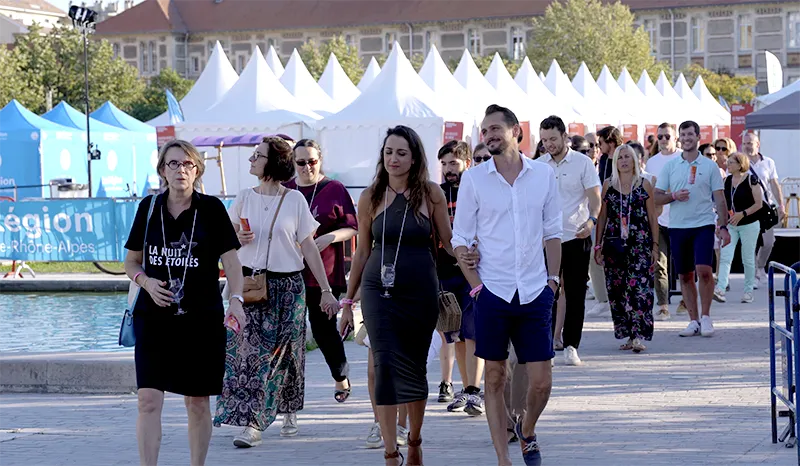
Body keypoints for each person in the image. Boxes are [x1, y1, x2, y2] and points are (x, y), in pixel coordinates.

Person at [123, 139, 244, 466]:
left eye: (187, 164)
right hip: (153, 318)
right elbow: (131, 262)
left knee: (197, 402)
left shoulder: (211, 209)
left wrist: (236, 299)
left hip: (200, 318)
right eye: (173, 164)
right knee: (147, 401)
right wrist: (146, 283)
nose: (180, 170)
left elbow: (232, 264)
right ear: (162, 169)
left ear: (197, 169)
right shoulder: (148, 208)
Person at [339, 125, 455, 466]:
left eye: (401, 152)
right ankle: (391, 451)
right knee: (384, 364)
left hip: (420, 289)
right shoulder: (371, 196)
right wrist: (348, 301)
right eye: (388, 152)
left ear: (415, 157)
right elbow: (361, 252)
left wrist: (475, 273)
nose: (393, 158)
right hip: (378, 290)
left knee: (415, 368)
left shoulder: (430, 193)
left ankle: (415, 439)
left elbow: (449, 241)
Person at [213, 137, 340, 448]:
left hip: (287, 288)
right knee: (248, 354)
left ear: (271, 163)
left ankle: (266, 419)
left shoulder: (295, 200)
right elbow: (226, 242)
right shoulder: (244, 197)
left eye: (257, 156)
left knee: (284, 355)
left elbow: (308, 246)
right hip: (251, 284)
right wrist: (237, 238)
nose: (250, 161)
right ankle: (255, 417)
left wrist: (325, 290)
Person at [453, 104, 562, 466]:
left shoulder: (544, 175)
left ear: (517, 132)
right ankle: (504, 458)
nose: (490, 135)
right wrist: (475, 286)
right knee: (495, 376)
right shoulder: (474, 179)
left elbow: (553, 233)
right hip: (493, 291)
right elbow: (460, 237)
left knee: (541, 382)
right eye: (485, 131)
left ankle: (527, 430)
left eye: (497, 128)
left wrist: (553, 281)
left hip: (535, 290)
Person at [283, 139, 358, 403]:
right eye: (300, 162)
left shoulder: (334, 188)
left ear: (320, 160)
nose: (306, 167)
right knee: (288, 334)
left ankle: (340, 375)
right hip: (289, 271)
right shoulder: (286, 190)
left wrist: (330, 237)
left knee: (323, 330)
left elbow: (352, 226)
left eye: (311, 161)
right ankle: (286, 396)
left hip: (324, 272)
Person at [654, 120, 730, 338]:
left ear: (698, 137)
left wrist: (723, 226)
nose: (686, 138)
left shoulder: (710, 166)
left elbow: (720, 199)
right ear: (679, 138)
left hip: (703, 225)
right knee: (685, 276)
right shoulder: (670, 166)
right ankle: (693, 320)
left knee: (704, 271)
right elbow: (657, 196)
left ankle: (706, 317)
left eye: (690, 134)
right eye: (683, 135)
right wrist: (673, 196)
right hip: (677, 227)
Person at [540, 116, 601, 366]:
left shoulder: (583, 163)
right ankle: (546, 345)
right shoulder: (538, 166)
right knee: (546, 293)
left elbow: (595, 198)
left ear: (565, 136)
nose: (549, 144)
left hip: (577, 235)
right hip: (546, 239)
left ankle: (571, 345)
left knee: (575, 293)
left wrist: (592, 221)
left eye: (553, 139)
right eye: (544, 140)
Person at [436, 140, 486, 416]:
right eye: (444, 164)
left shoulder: (477, 188)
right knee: (456, 335)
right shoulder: (438, 193)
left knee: (473, 331)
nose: (448, 169)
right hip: (446, 269)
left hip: (474, 269)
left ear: (467, 162)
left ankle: (474, 390)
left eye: (453, 163)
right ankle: (465, 389)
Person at [594, 144, 658, 353]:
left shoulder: (644, 184)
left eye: (627, 157)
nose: (623, 161)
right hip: (614, 244)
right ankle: (628, 334)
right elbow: (602, 216)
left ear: (635, 161)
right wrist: (598, 245)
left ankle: (639, 335)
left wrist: (655, 246)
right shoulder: (608, 185)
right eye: (620, 157)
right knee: (618, 290)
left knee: (639, 289)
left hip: (639, 243)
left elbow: (652, 217)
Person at [644, 123, 684, 321]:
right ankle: (663, 305)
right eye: (660, 136)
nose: (663, 140)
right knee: (659, 263)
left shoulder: (682, 158)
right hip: (658, 219)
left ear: (675, 138)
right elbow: (650, 190)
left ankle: (687, 299)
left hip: (681, 219)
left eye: (667, 136)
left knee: (683, 263)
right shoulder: (652, 162)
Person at [714, 152, 763, 304]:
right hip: (731, 225)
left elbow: (759, 204)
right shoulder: (727, 180)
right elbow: (723, 204)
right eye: (727, 162)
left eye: (731, 163)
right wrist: (720, 223)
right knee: (726, 256)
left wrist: (743, 214)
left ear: (740, 164)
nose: (727, 165)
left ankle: (748, 291)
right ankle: (720, 289)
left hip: (749, 224)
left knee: (747, 259)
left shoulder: (751, 180)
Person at [586, 126, 622, 318]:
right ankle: (603, 298)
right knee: (596, 253)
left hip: (621, 214)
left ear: (610, 140)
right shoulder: (604, 160)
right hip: (604, 212)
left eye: (600, 143)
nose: (598, 148)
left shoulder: (623, 156)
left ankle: (614, 298)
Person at [743, 132, 786, 287]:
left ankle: (760, 267)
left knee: (768, 242)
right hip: (747, 208)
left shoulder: (768, 162)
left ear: (757, 144)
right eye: (745, 143)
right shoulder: (740, 162)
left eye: (750, 143)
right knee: (751, 242)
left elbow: (774, 184)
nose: (747, 146)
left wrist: (781, 204)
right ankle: (753, 274)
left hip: (765, 208)